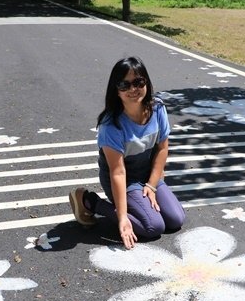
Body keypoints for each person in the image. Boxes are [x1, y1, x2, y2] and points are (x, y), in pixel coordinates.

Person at [69, 56, 186, 249]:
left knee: (175, 219)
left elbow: (162, 149)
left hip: (147, 176)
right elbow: (118, 172)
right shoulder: (111, 124)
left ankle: (141, 201)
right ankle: (89, 201)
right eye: (125, 84)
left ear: (146, 82)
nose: (133, 89)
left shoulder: (157, 109)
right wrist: (122, 218)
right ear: (116, 90)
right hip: (125, 180)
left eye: (138, 82)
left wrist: (152, 185)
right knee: (153, 227)